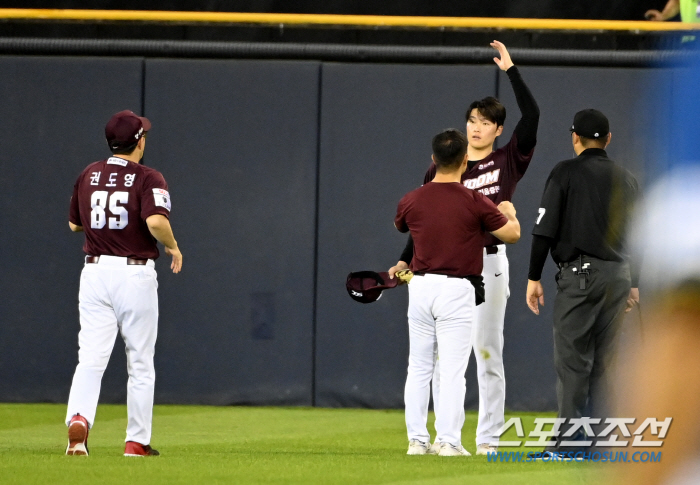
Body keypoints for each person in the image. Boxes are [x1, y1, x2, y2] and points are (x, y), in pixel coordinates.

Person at [389, 39, 539, 455]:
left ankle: (487, 438)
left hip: (488, 264)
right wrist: (404, 261)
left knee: (488, 353)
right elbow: (423, 224)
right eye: (472, 120)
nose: (476, 127)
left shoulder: (507, 160)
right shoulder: (443, 168)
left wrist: (511, 70)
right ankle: (435, 438)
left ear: (498, 130)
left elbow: (534, 116)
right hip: (443, 269)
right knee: (440, 360)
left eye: (485, 122)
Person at [395, 129, 520, 457]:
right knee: (451, 369)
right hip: (456, 289)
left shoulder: (411, 199)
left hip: (419, 288)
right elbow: (511, 235)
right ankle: (448, 441)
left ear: (433, 160)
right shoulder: (474, 200)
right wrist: (510, 213)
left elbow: (403, 225)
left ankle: (417, 441)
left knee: (419, 366)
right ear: (465, 160)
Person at [64, 110, 183, 457]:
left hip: (95, 271)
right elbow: (157, 221)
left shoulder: (89, 173)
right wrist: (173, 246)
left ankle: (80, 421)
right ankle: (136, 441)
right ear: (139, 142)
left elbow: (74, 226)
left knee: (91, 358)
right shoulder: (148, 177)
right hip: (134, 272)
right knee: (140, 361)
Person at [526, 109, 639, 453]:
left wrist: (534, 277)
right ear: (607, 139)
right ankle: (601, 444)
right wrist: (634, 283)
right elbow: (640, 236)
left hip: (581, 276)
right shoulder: (626, 178)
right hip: (618, 277)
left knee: (574, 361)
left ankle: (568, 444)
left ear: (574, 137)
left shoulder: (565, 172)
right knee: (606, 364)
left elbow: (544, 229)